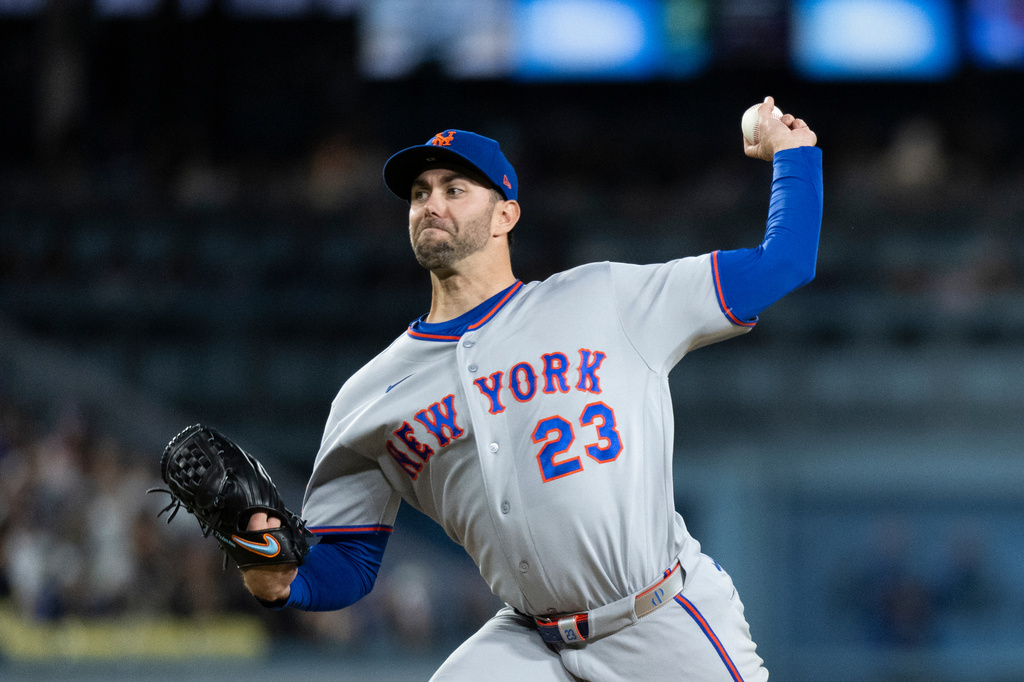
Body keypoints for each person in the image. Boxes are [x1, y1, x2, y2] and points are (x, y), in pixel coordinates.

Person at [242, 97, 821, 681]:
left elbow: (785, 262)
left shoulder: (605, 298)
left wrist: (794, 157)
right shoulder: (369, 396)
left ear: (505, 216)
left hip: (660, 620)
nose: (430, 205)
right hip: (529, 641)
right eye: (419, 193)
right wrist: (282, 581)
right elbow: (348, 558)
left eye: (454, 189)